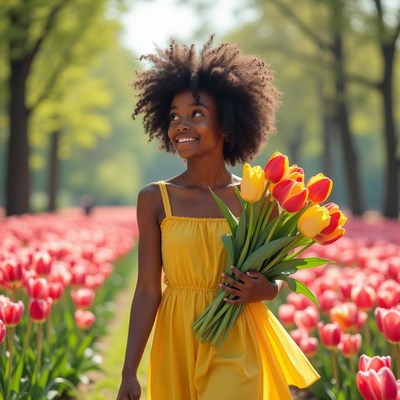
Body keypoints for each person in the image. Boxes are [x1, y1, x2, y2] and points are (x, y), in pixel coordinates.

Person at [116, 35, 319, 400]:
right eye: (174, 116)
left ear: (226, 124)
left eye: (196, 114)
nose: (181, 124)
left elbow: (277, 278)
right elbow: (147, 288)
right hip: (176, 336)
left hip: (238, 333)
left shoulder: (258, 198)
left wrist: (265, 291)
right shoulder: (154, 198)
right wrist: (129, 371)